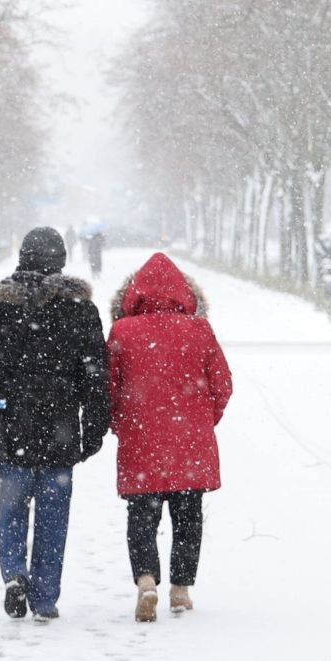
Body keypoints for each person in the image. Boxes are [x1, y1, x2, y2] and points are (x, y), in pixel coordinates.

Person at [0, 227, 110, 621]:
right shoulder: (78, 308)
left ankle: (13, 572)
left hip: (9, 424)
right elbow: (95, 373)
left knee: (12, 503)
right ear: (60, 260)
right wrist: (95, 424)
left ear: (22, 257)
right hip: (60, 425)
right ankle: (44, 596)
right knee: (54, 514)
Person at [106, 253, 232, 622]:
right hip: (190, 441)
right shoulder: (199, 330)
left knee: (141, 516)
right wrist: (204, 419)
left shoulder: (123, 332)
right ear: (185, 293)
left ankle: (146, 581)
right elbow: (222, 384)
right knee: (188, 515)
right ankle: (180, 589)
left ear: (133, 294)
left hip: (140, 438)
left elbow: (108, 389)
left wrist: (122, 423)